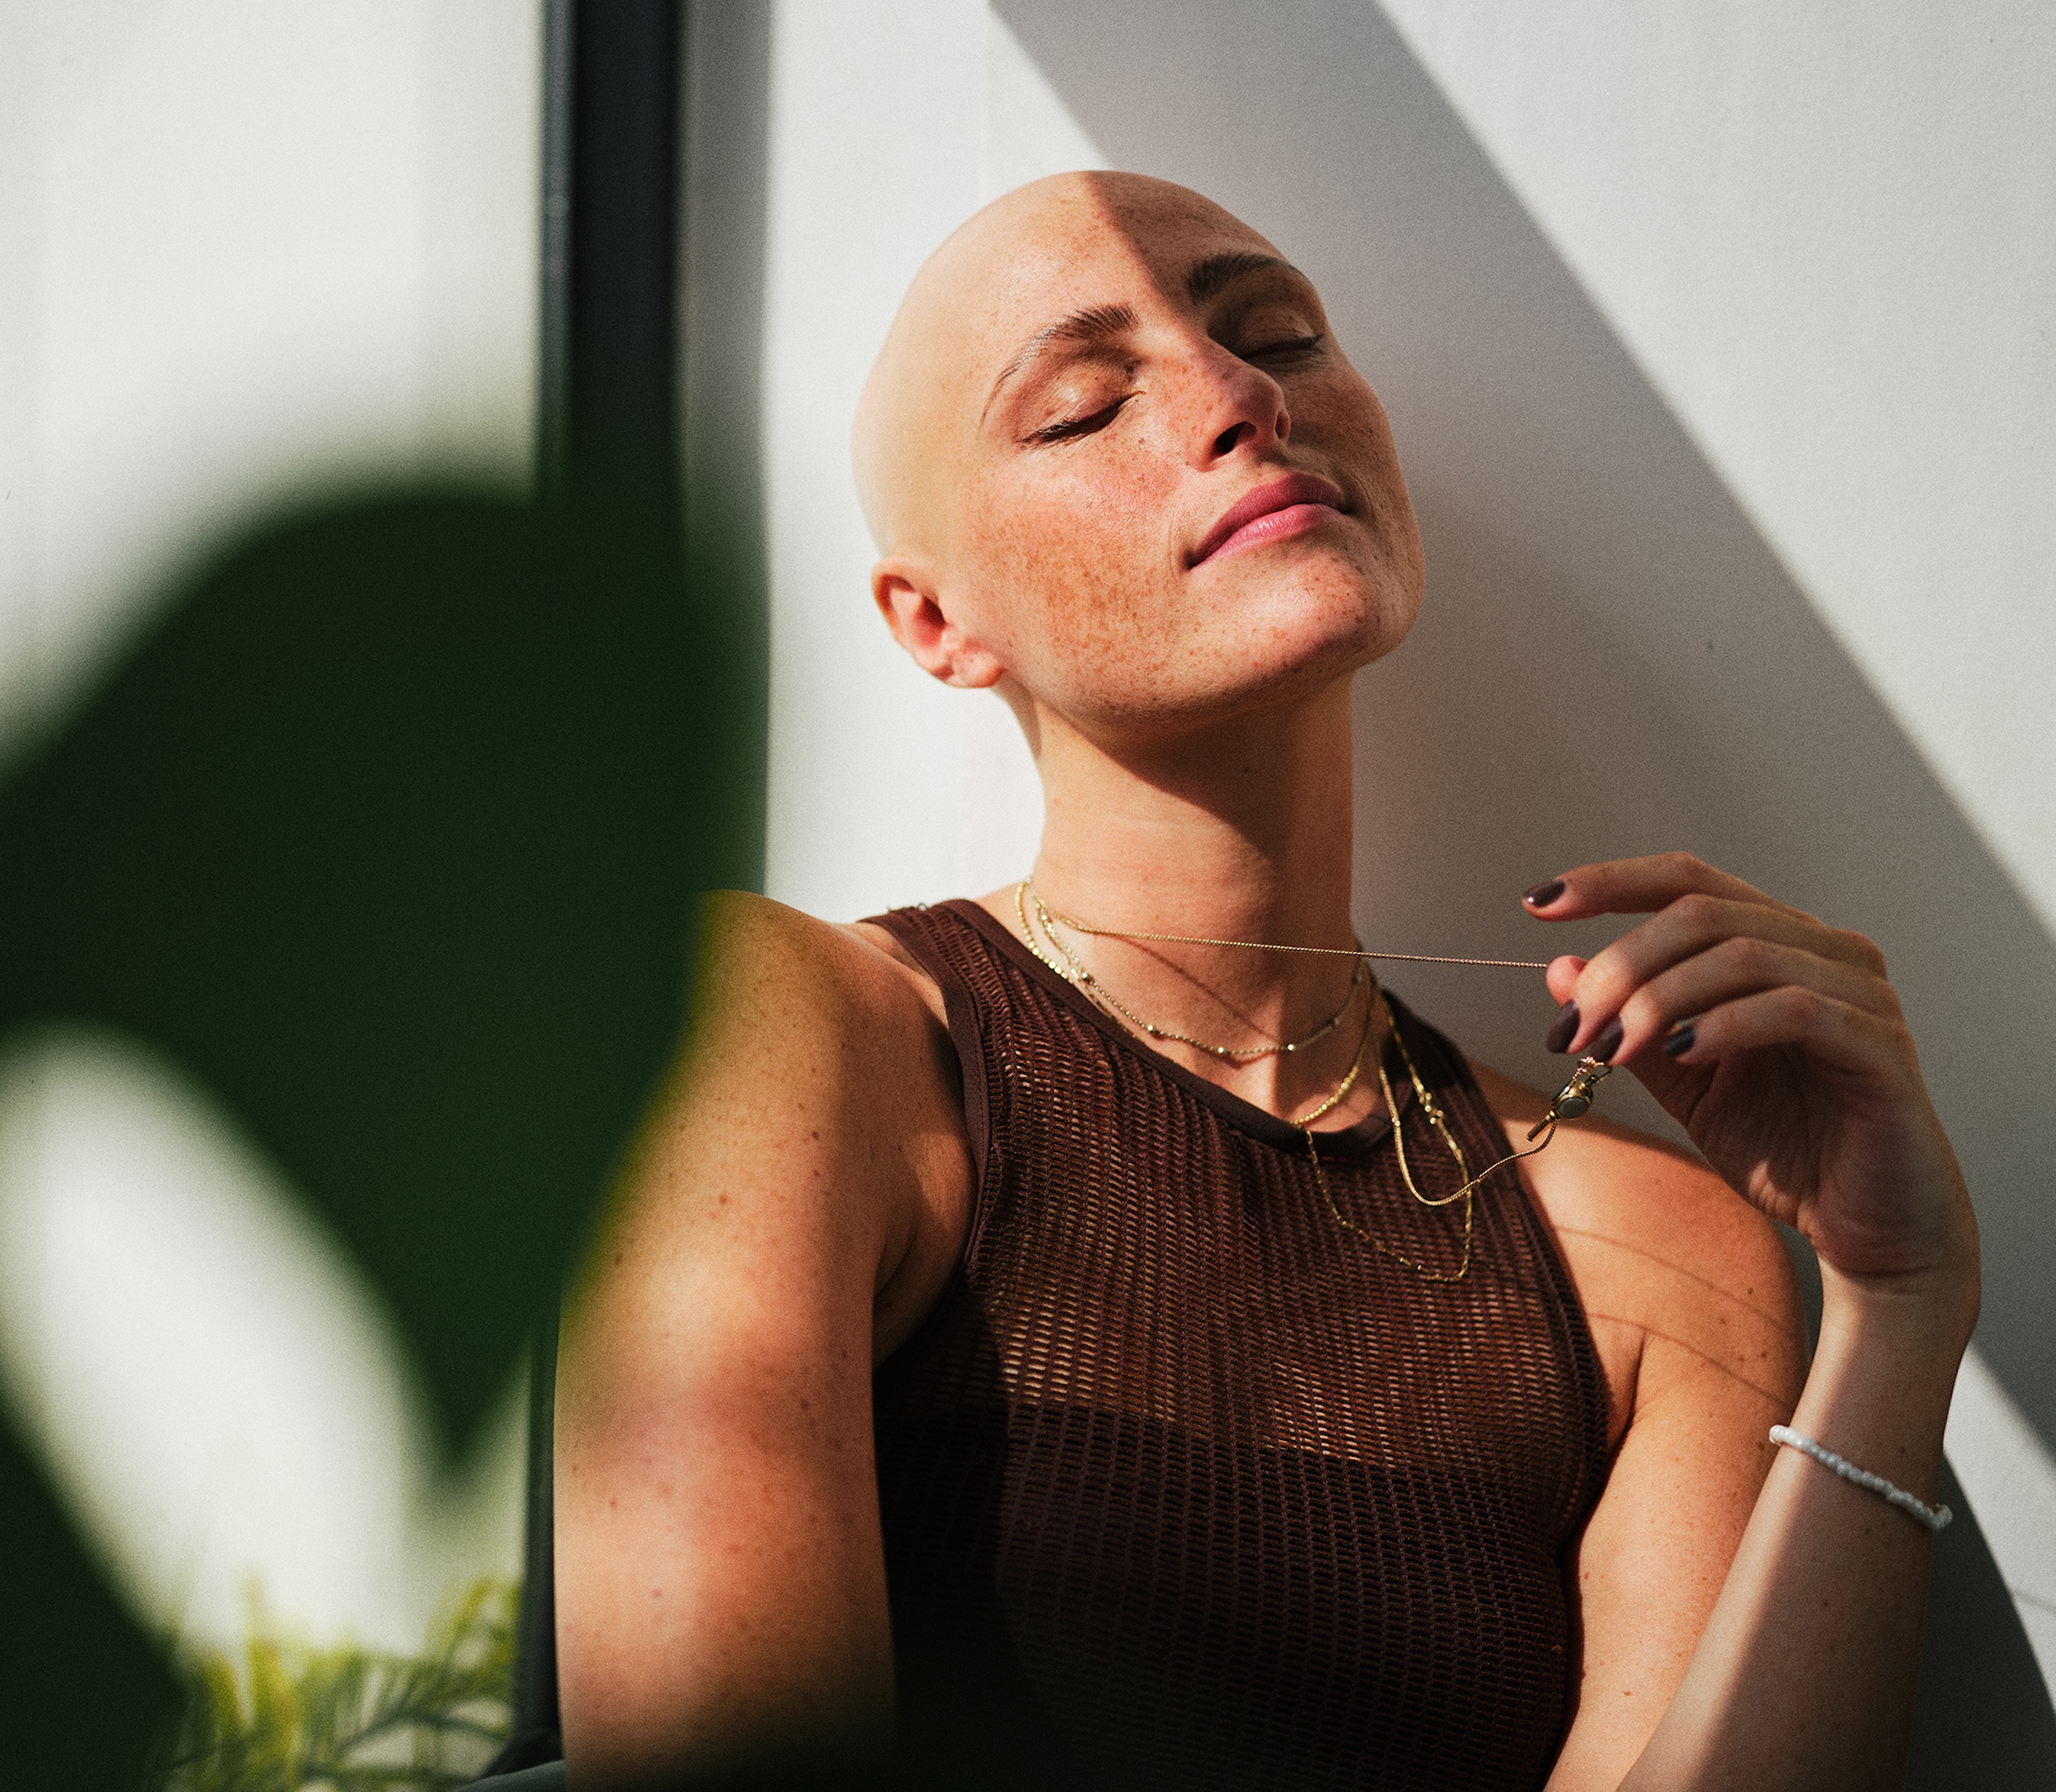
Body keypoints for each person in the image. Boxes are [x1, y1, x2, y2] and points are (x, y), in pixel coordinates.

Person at [553, 172, 1979, 1790]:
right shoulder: (784, 1032)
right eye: (1083, 405)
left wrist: (1900, 1309)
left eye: (1280, 334)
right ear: (937, 620)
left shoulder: (1655, 1253)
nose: (1241, 395)